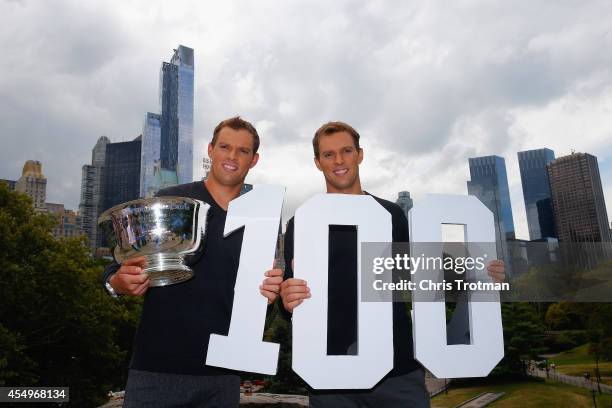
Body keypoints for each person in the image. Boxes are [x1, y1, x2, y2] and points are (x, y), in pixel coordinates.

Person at [278, 122, 505, 408]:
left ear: (360, 154)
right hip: (330, 378)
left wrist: (481, 277)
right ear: (317, 162)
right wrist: (287, 301)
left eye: (346, 151)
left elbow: (425, 276)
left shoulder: (392, 215)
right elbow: (288, 306)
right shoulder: (301, 223)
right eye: (328, 154)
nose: (338, 161)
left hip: (396, 373)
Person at [103, 117, 283, 407]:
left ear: (254, 160)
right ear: (210, 149)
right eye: (225, 147)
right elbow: (117, 267)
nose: (232, 156)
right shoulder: (172, 200)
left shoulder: (263, 221)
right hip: (157, 369)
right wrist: (117, 283)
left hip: (223, 377)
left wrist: (270, 295)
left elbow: (262, 302)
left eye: (243, 151)